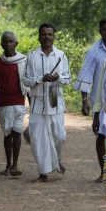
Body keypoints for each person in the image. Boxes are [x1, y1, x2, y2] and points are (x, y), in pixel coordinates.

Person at [22, 23, 71, 182]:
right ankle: (43, 173)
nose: (47, 37)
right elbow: (26, 80)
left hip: (55, 102)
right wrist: (39, 79)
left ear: (54, 36)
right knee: (37, 139)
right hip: (37, 104)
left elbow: (68, 79)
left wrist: (58, 78)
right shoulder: (32, 56)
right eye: (44, 34)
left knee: (59, 135)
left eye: (50, 34)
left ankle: (57, 160)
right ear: (39, 36)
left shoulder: (61, 56)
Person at [75, 18, 106, 182]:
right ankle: (104, 171)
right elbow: (86, 73)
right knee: (100, 134)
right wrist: (84, 99)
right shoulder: (94, 51)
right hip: (99, 99)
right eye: (105, 29)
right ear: (100, 31)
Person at [0, 31, 29, 177]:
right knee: (7, 135)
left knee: (17, 133)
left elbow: (28, 85)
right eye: (5, 41)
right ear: (1, 44)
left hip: (19, 103)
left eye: (11, 41)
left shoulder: (23, 61)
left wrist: (33, 105)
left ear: (16, 44)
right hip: (3, 105)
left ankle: (15, 166)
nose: (8, 44)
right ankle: (8, 165)